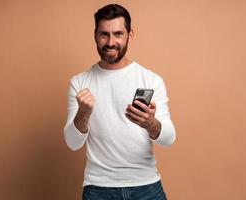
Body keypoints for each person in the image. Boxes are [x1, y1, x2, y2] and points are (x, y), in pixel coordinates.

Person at [64, 4, 176, 200]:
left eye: (118, 34)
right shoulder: (79, 83)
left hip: (146, 187)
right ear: (95, 35)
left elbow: (169, 139)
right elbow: (72, 143)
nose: (111, 42)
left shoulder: (151, 80)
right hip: (98, 188)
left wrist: (150, 123)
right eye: (104, 34)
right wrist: (83, 113)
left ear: (130, 35)